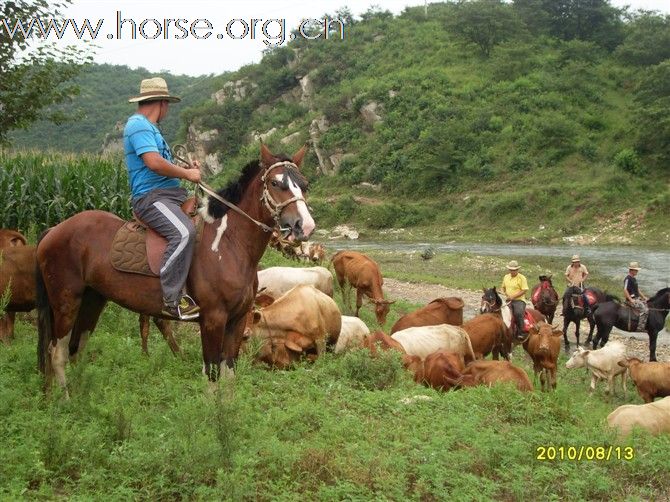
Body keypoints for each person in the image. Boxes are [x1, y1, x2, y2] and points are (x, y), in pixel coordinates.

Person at [124, 77, 202, 320]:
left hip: (169, 195)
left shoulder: (151, 129)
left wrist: (185, 167)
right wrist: (188, 173)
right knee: (183, 232)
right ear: (162, 103)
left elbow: (162, 162)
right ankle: (172, 300)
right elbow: (154, 163)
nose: (167, 110)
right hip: (151, 197)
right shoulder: (138, 125)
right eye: (167, 105)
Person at [501, 260, 529, 340]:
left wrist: (513, 297)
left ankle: (521, 332)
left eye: (514, 270)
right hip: (507, 299)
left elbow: (524, 290)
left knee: (518, 313)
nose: (512, 271)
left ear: (517, 270)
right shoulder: (506, 277)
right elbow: (502, 287)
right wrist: (503, 292)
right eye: (511, 270)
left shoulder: (522, 278)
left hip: (519, 300)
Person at [623, 261, 648, 329]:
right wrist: (630, 300)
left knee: (648, 304)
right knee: (645, 310)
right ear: (631, 270)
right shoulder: (628, 279)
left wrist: (644, 297)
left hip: (636, 298)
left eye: (637, 270)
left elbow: (637, 290)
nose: (637, 271)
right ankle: (640, 327)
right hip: (632, 300)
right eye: (636, 270)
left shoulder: (634, 279)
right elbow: (625, 290)